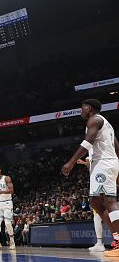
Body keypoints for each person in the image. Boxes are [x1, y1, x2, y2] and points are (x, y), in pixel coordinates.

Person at [62, 99, 119, 257]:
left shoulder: (94, 120)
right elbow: (116, 145)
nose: (81, 110)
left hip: (104, 163)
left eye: (83, 108)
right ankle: (116, 238)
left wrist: (71, 162)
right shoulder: (106, 124)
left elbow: (87, 143)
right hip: (104, 164)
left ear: (90, 109)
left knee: (109, 200)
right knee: (95, 201)